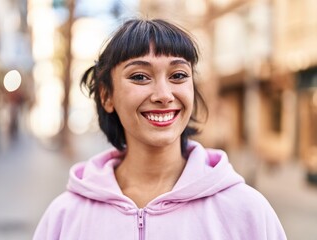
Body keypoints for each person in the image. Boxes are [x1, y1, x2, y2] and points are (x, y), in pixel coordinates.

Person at [33, 18, 286, 239]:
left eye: (178, 75)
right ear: (106, 96)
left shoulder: (247, 210)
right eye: (140, 76)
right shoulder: (64, 217)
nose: (164, 95)